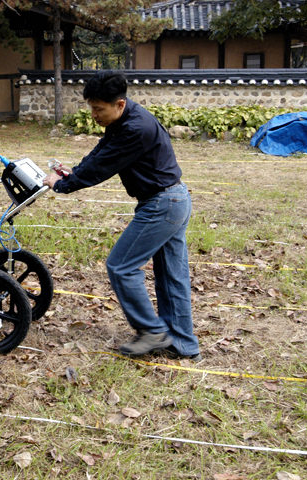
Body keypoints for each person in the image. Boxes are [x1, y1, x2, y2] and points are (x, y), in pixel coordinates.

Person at [42, 71, 201, 361]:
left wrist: (63, 185)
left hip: (163, 204)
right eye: (91, 107)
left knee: (121, 266)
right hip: (173, 199)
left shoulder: (135, 129)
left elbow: (105, 166)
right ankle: (184, 345)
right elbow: (102, 151)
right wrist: (74, 170)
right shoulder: (126, 119)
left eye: (98, 109)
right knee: (171, 276)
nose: (93, 114)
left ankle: (152, 331)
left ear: (119, 103)